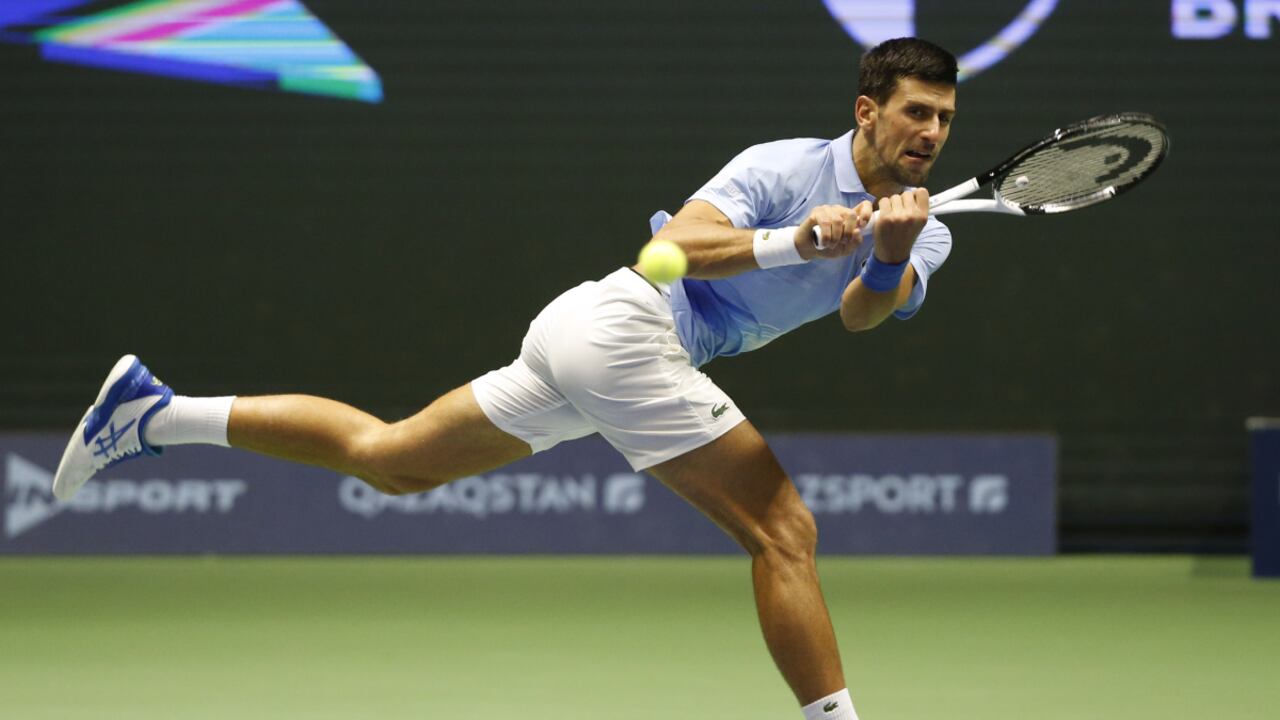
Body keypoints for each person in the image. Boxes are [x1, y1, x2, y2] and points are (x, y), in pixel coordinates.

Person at [53, 37, 958, 720]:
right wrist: (797, 238)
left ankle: (154, 415)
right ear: (866, 111)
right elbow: (677, 247)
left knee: (393, 461)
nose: (931, 133)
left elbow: (862, 315)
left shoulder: (932, 226)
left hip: (607, 347)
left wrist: (887, 253)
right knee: (785, 532)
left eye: (946, 119)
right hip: (620, 324)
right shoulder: (782, 166)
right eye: (916, 112)